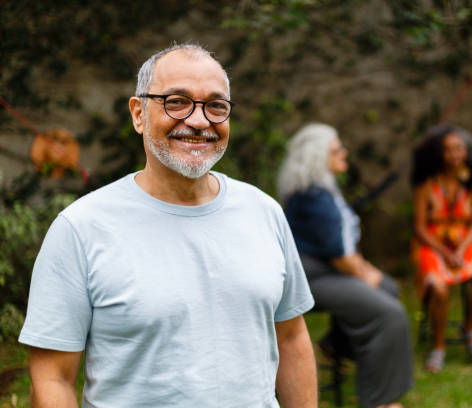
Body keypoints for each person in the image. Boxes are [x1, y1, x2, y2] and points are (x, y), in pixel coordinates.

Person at [18, 43, 317, 408]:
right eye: (176, 101)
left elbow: (290, 338)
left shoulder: (263, 212)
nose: (198, 120)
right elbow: (52, 379)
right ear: (138, 114)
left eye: (216, 105)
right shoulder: (81, 229)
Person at [278, 123, 413, 408]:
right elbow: (341, 256)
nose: (344, 153)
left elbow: (344, 244)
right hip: (312, 278)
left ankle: (337, 345)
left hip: (328, 270)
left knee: (387, 288)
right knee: (390, 314)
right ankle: (381, 400)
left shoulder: (322, 189)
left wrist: (367, 271)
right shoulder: (312, 197)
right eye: (337, 150)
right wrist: (365, 275)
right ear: (318, 156)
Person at [410, 124, 472, 372]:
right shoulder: (426, 182)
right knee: (438, 287)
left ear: (466, 151)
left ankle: (469, 326)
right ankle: (438, 345)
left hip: (465, 241)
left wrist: (460, 250)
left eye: (458, 148)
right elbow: (419, 227)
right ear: (439, 153)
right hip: (431, 243)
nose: (454, 154)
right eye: (447, 149)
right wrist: (445, 252)